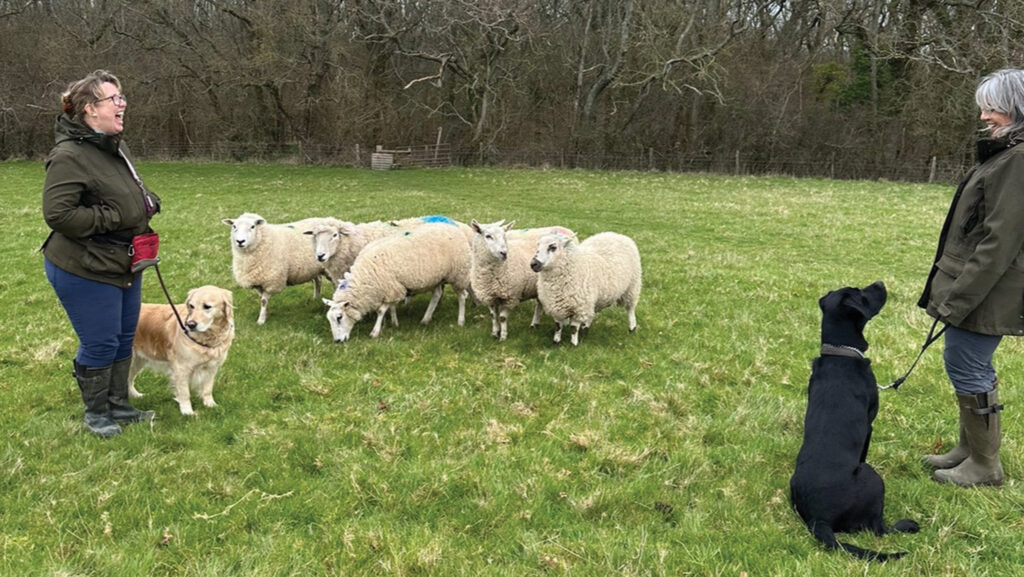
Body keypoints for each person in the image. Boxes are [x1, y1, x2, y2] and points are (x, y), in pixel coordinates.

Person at [919, 68, 1024, 487]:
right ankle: (970, 450)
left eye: (993, 108)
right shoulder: (1006, 154)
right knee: (964, 362)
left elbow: (999, 241)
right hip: (984, 286)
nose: (984, 116)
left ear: (1017, 109)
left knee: (968, 365)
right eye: (983, 107)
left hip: (991, 289)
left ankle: (984, 466)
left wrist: (958, 298)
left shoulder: (1018, 160)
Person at [41, 70, 160, 438]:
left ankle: (120, 406)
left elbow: (122, 192)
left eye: (121, 97)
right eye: (114, 99)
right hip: (84, 267)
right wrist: (115, 216)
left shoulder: (114, 146)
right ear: (91, 110)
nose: (122, 105)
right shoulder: (68, 155)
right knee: (101, 341)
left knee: (125, 336)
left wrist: (146, 201)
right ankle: (96, 414)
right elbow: (58, 214)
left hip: (124, 262)